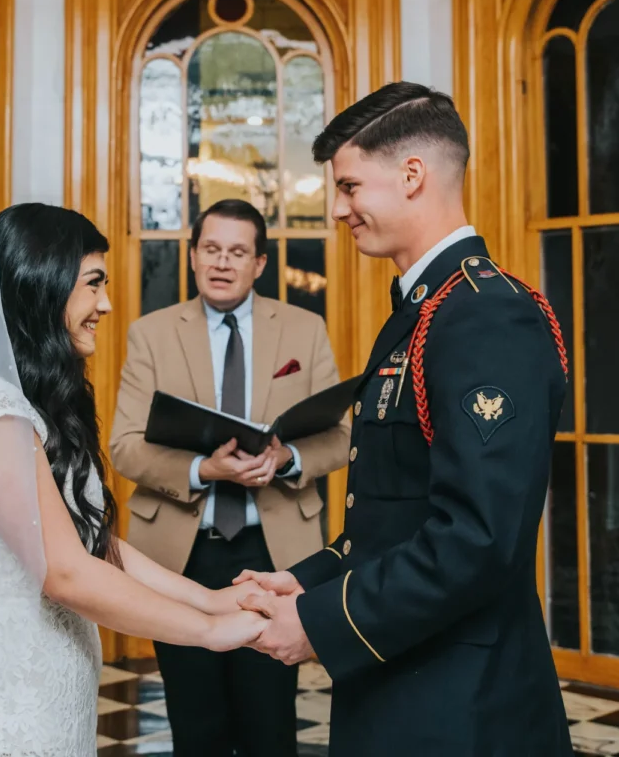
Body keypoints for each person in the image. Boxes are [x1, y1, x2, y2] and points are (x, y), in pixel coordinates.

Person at [237, 83, 574, 755]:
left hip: (459, 703)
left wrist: (320, 623)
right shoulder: (425, 310)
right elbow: (397, 515)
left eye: (350, 186)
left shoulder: (483, 314)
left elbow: (477, 538)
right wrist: (308, 580)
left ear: (412, 174)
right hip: (402, 674)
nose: (338, 209)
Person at [0, 203, 269, 756]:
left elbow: (93, 545)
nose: (105, 304)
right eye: (93, 285)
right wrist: (207, 633)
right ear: (44, 286)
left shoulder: (27, 404)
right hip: (9, 697)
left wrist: (210, 601)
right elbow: (66, 573)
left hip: (53, 684)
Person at [110, 199, 349, 757]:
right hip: (181, 553)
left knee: (270, 724)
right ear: (193, 256)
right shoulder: (151, 333)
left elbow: (339, 436)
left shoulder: (305, 329)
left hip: (277, 556)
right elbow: (123, 446)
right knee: (196, 725)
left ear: (260, 263)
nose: (222, 262)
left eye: (237, 252)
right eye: (211, 250)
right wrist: (201, 469)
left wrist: (286, 458)